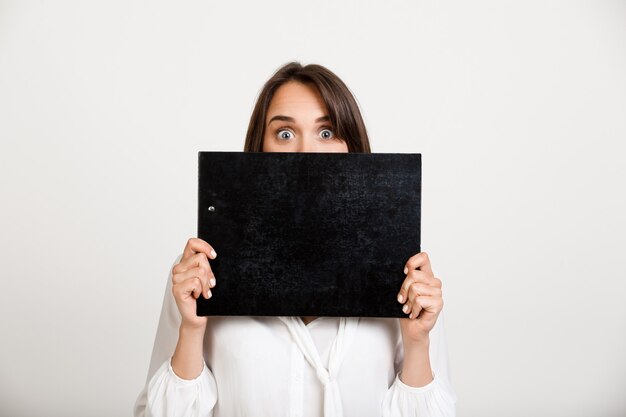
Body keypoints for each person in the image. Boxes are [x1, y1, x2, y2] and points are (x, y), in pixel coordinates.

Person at [133, 62, 457, 417]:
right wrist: (192, 331)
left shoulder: (406, 274)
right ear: (260, 148)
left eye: (327, 132)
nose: (307, 151)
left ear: (353, 146)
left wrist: (416, 341)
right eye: (285, 133)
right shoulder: (201, 273)